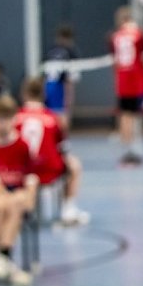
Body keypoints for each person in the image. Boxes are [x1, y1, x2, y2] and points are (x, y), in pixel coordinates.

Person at [16, 77, 89, 226]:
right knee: (74, 165)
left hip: (20, 171)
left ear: (24, 94)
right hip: (48, 170)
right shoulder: (53, 118)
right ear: (43, 94)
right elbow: (63, 147)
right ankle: (68, 209)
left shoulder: (15, 118)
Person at [0, 95, 38, 286]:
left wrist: (30, 195)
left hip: (16, 194)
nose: (2, 124)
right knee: (0, 204)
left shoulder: (21, 145)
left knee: (17, 202)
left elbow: (30, 176)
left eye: (7, 119)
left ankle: (3, 259)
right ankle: (6, 259)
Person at [110, 5, 143, 166]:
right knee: (137, 115)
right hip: (137, 81)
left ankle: (126, 149)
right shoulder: (139, 35)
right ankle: (135, 148)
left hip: (122, 82)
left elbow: (115, 62)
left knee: (124, 115)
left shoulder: (115, 36)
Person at [43, 24, 80, 132]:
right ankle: (63, 142)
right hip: (60, 86)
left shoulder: (50, 50)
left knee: (49, 115)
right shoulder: (71, 52)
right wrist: (69, 98)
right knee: (63, 114)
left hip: (48, 85)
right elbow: (70, 79)